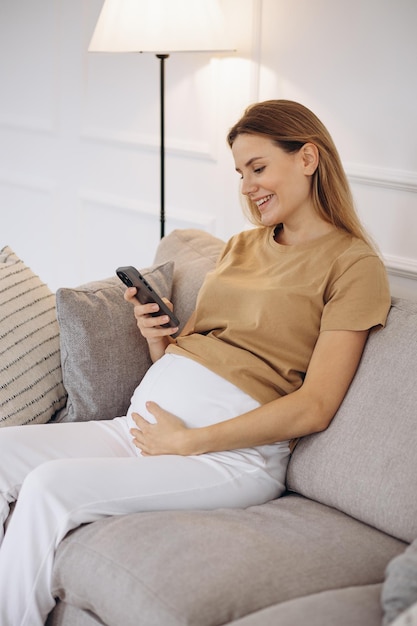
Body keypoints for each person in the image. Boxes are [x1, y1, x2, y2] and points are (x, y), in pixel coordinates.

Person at [0, 100, 390, 625]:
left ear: (308, 157)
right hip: (140, 431)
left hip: (229, 459)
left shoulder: (354, 265)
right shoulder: (242, 247)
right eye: (240, 173)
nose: (248, 186)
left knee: (50, 488)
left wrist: (187, 442)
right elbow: (199, 346)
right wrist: (156, 340)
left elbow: (316, 406)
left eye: (258, 168)